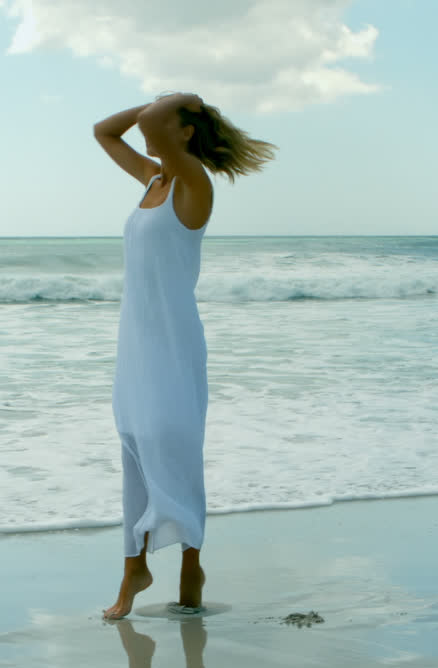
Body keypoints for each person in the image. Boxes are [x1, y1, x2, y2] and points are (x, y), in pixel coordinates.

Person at [94, 93, 275, 620]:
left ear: (186, 133)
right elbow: (104, 131)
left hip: (174, 343)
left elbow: (147, 124)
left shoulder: (193, 182)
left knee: (173, 446)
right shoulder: (154, 178)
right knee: (134, 445)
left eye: (159, 118)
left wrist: (180, 101)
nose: (145, 125)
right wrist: (160, 103)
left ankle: (191, 564)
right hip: (135, 341)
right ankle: (134, 566)